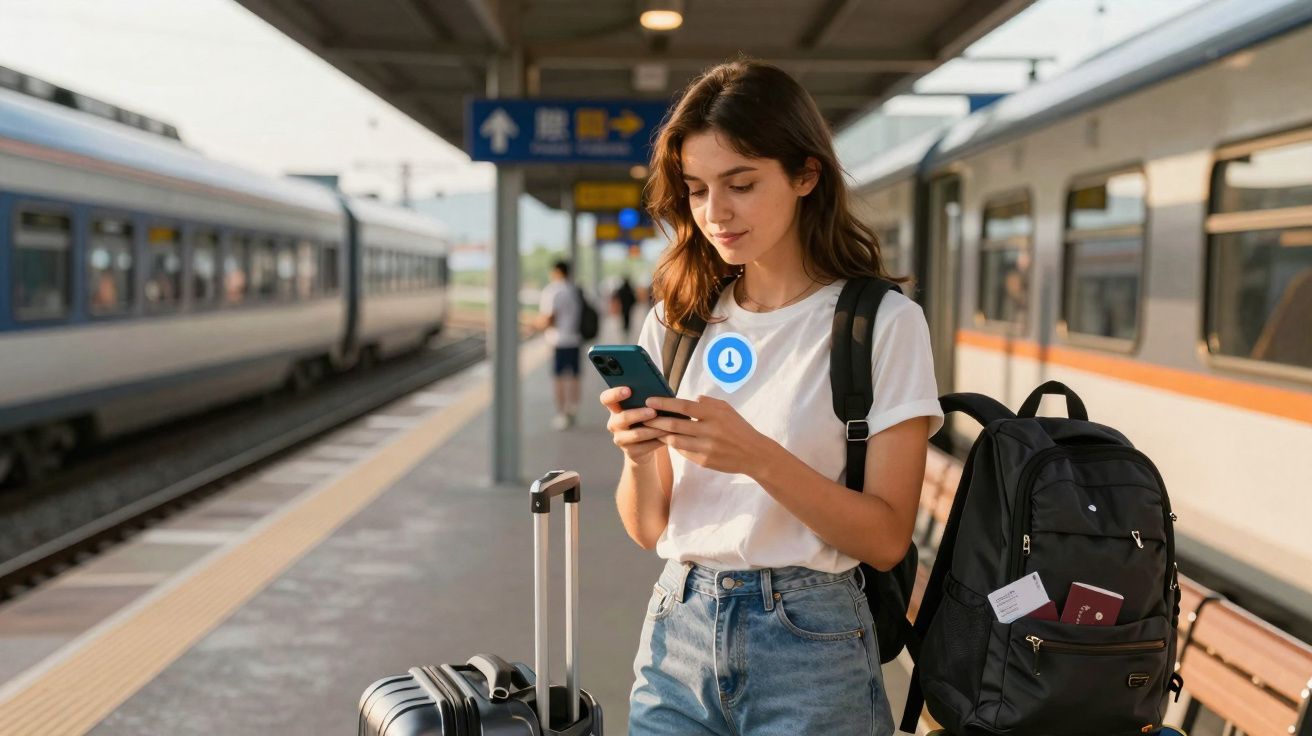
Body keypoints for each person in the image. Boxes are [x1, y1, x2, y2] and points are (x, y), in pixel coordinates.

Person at [600, 60, 944, 735]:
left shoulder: (880, 324)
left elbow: (884, 537)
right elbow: (647, 528)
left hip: (811, 640)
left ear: (806, 176)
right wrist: (639, 455)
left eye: (741, 184)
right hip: (679, 627)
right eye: (696, 190)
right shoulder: (678, 320)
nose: (714, 213)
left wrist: (757, 456)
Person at [537, 260, 583, 430]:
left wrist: (535, 325)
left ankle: (562, 413)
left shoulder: (553, 290)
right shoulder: (574, 289)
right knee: (574, 377)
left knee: (559, 379)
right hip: (575, 339)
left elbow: (549, 318)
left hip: (559, 341)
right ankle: (573, 410)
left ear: (556, 271)